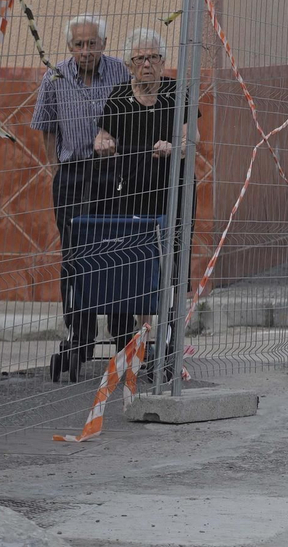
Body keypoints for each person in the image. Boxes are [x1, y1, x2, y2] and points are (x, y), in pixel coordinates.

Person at [30, 14, 128, 365]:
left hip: (112, 173)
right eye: (79, 44)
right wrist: (56, 168)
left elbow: (133, 116)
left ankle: (123, 331)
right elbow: (46, 125)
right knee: (74, 254)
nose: (85, 51)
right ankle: (80, 335)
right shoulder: (55, 75)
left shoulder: (120, 72)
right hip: (72, 175)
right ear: (70, 46)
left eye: (92, 44)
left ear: (103, 44)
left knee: (117, 248)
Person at [95, 29, 186, 361]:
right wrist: (104, 144)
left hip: (169, 194)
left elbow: (194, 139)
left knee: (168, 266)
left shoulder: (177, 93)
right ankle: (141, 337)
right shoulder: (119, 95)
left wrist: (174, 145)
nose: (147, 64)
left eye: (153, 58)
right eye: (139, 59)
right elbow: (101, 139)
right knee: (133, 267)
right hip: (128, 194)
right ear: (130, 65)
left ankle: (167, 335)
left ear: (162, 63)